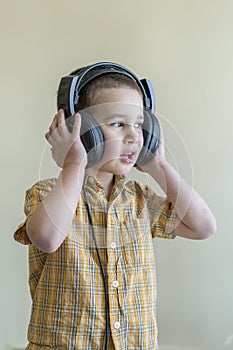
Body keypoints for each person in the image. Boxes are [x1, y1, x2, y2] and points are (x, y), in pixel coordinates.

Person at [14, 62, 217, 350]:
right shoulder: (47, 192)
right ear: (83, 132)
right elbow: (47, 238)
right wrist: (74, 162)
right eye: (119, 124)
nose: (134, 136)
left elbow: (204, 227)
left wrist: (158, 164)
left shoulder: (140, 200)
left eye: (139, 124)